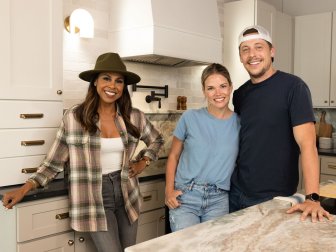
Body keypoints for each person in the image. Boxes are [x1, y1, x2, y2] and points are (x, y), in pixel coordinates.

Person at [2, 52, 164, 252]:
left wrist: (143, 162)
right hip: (93, 198)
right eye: (106, 78)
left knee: (130, 251)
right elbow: (53, 163)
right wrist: (23, 189)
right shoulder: (75, 118)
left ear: (123, 87)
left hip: (127, 194)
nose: (112, 86)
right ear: (95, 82)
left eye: (118, 81)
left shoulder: (134, 116)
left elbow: (157, 139)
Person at [230, 25, 333, 222]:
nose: (252, 54)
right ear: (241, 56)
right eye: (245, 49)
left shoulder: (294, 87)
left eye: (259, 47)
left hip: (274, 197)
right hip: (236, 192)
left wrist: (312, 198)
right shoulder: (240, 94)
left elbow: (308, 145)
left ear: (272, 51)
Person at [165, 63, 240, 231]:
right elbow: (173, 156)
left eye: (223, 86)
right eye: (211, 88)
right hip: (185, 197)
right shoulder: (190, 117)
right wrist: (168, 191)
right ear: (204, 92)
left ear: (230, 88)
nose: (218, 93)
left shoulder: (240, 124)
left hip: (219, 199)